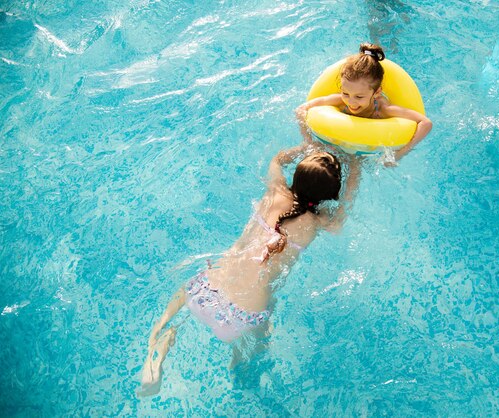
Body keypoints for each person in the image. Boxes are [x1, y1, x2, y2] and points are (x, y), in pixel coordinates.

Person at [137, 146, 358, 397]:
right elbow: (344, 211)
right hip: (243, 316)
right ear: (329, 195)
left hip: (207, 289)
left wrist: (309, 146)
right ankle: (239, 373)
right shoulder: (318, 222)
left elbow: (277, 158)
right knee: (257, 343)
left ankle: (155, 356)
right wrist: (355, 167)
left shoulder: (274, 192)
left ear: (295, 178)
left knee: (179, 310)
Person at [295, 43, 433, 162]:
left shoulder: (383, 109)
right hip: (343, 142)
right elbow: (301, 109)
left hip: (366, 150)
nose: (351, 102)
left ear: (377, 92)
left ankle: (348, 194)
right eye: (346, 93)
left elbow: (426, 123)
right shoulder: (340, 101)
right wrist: (308, 141)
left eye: (359, 97)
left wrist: (400, 154)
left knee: (355, 167)